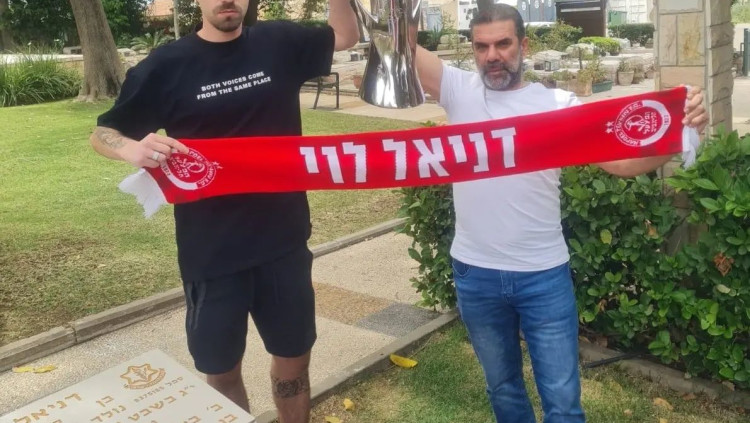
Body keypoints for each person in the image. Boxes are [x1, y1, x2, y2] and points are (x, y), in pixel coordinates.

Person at [415, 4, 707, 423]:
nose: (492, 55)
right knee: (502, 388)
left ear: (524, 46)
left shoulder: (557, 104)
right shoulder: (458, 90)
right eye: (481, 46)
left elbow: (621, 164)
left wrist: (681, 131)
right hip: (475, 273)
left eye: (503, 43)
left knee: (563, 402)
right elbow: (397, 43)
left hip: (542, 275)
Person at [89, 0, 359, 421]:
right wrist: (130, 148)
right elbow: (104, 131)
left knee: (294, 364)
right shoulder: (166, 65)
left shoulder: (279, 42)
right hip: (211, 255)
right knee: (222, 372)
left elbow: (345, 36)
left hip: (284, 244)